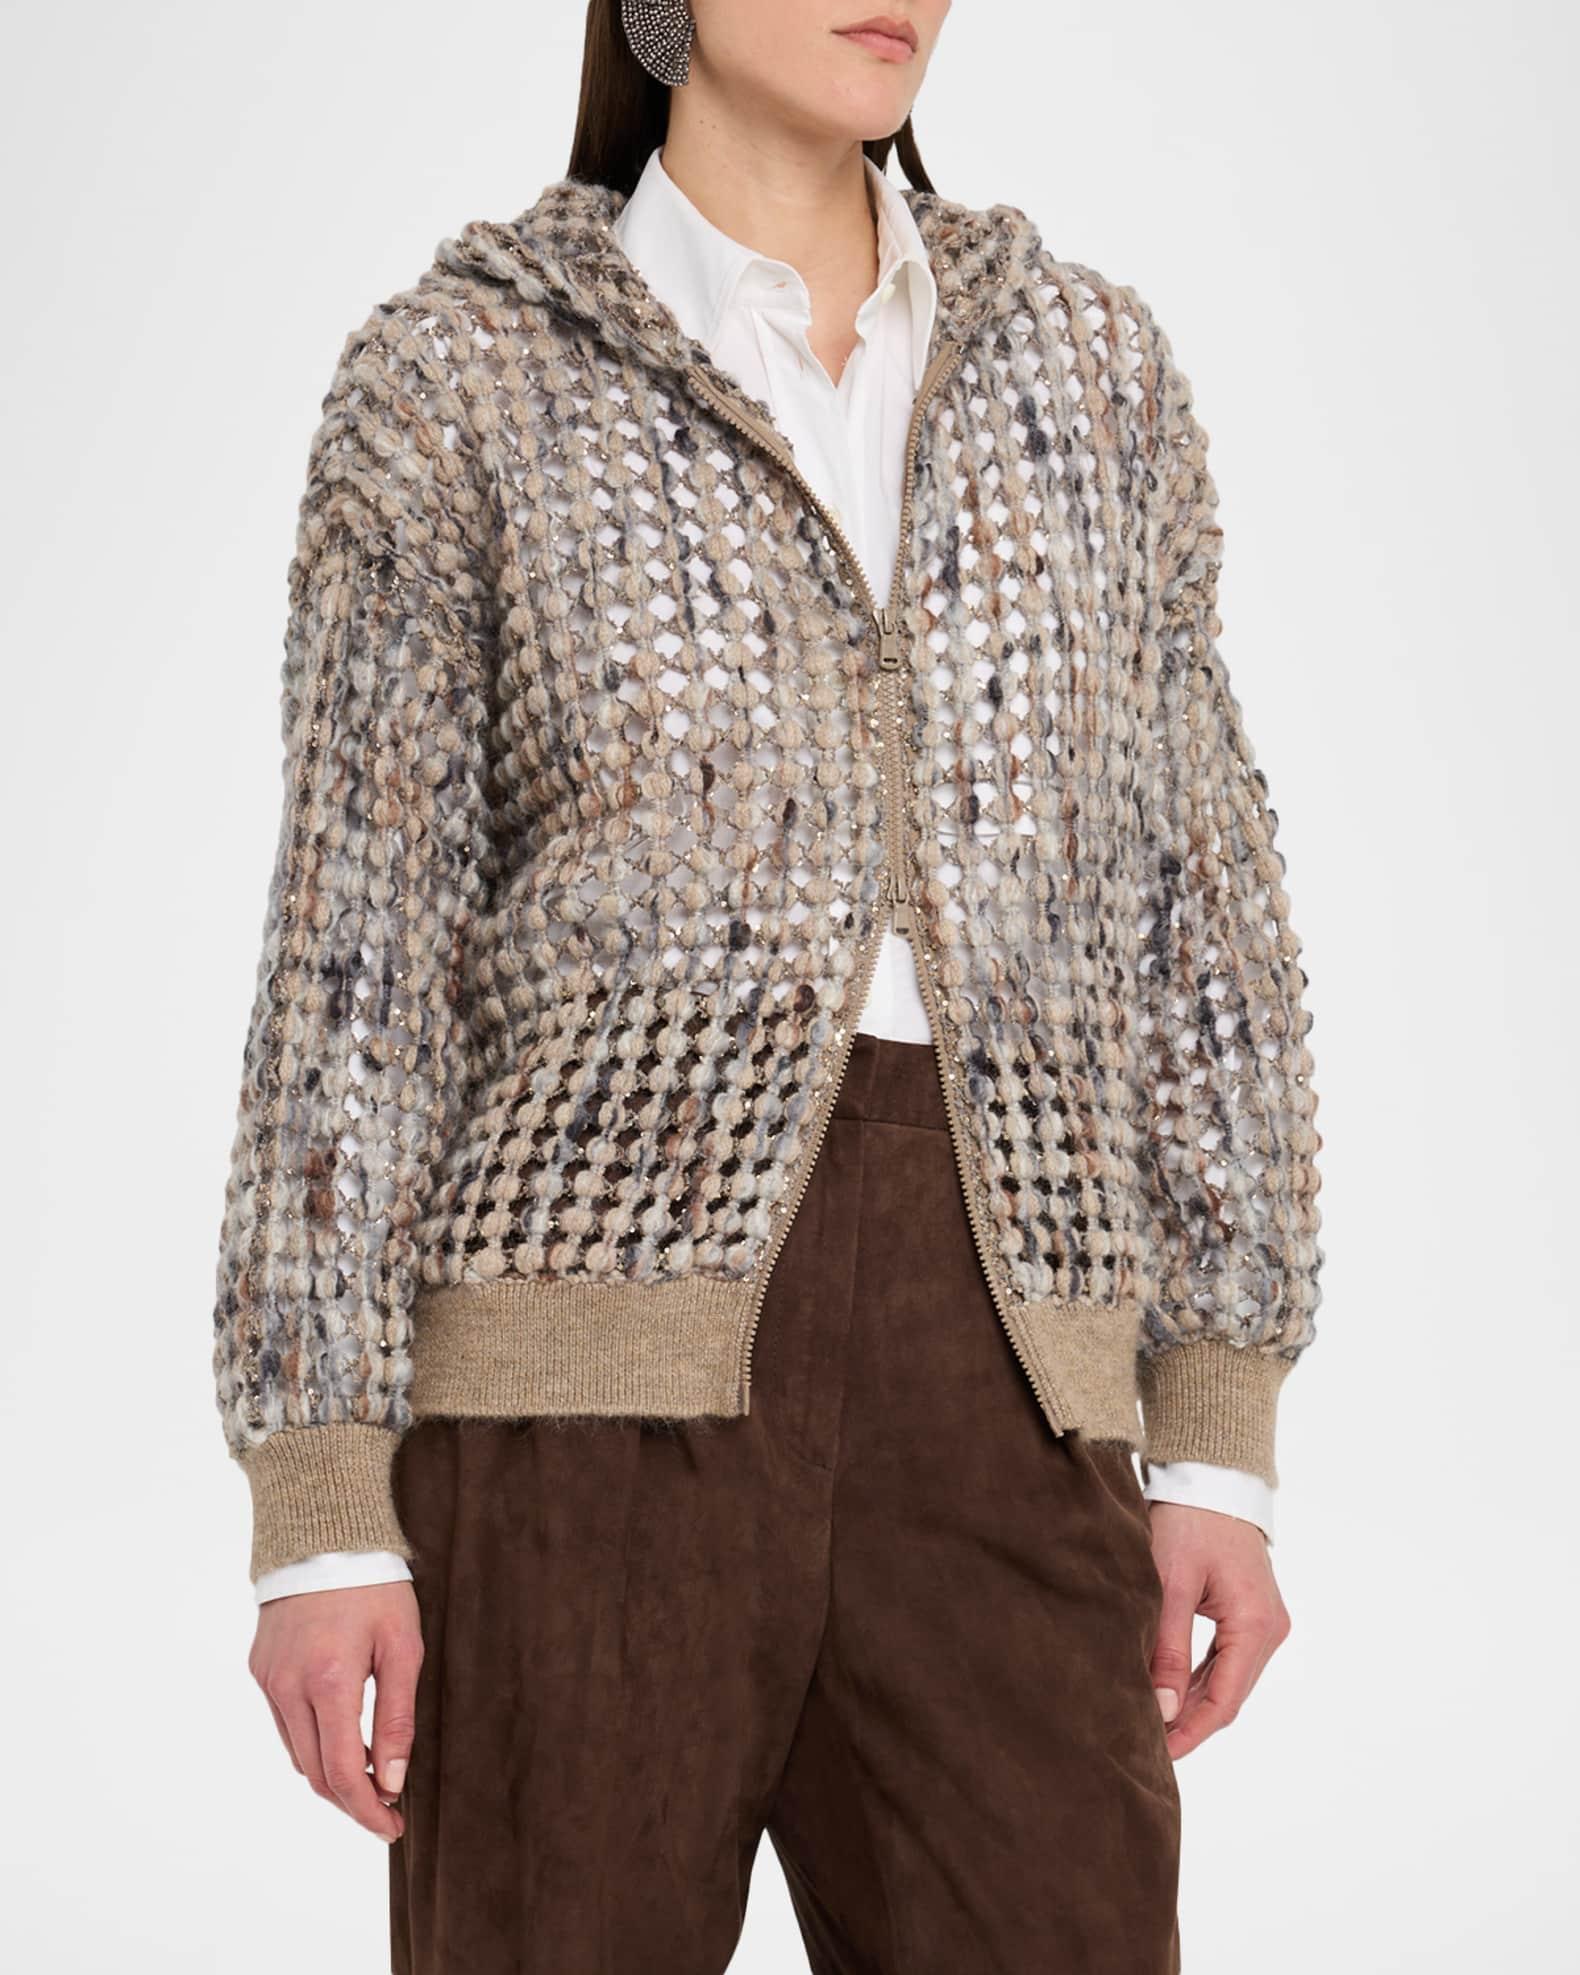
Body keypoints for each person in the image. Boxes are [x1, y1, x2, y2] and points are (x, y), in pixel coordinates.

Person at [215, 3, 1324, 1969]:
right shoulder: (461, 379)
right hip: (572, 1420)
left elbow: (1198, 909)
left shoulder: (1089, 378)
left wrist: (1216, 1430)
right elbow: (358, 953)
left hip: (1008, 1387)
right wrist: (321, 1506)